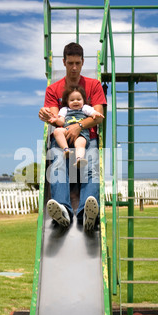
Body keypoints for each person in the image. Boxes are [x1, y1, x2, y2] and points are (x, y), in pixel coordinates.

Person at [38, 42, 107, 232]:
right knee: (58, 163)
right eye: (70, 63)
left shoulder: (93, 85)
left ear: (83, 62)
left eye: (78, 63)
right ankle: (64, 211)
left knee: (90, 164)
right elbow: (56, 120)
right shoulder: (53, 89)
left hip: (86, 136)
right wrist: (48, 117)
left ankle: (86, 212)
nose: (74, 68)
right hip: (62, 138)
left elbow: (98, 116)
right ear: (64, 62)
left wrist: (78, 126)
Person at [48, 85, 104, 168]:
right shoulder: (65, 110)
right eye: (72, 100)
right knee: (57, 131)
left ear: (83, 100)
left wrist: (96, 114)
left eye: (79, 99)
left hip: (82, 133)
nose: (75, 102)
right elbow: (61, 121)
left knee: (80, 144)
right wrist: (56, 120)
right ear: (67, 102)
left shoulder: (85, 108)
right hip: (67, 131)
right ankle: (65, 149)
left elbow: (92, 112)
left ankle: (79, 159)